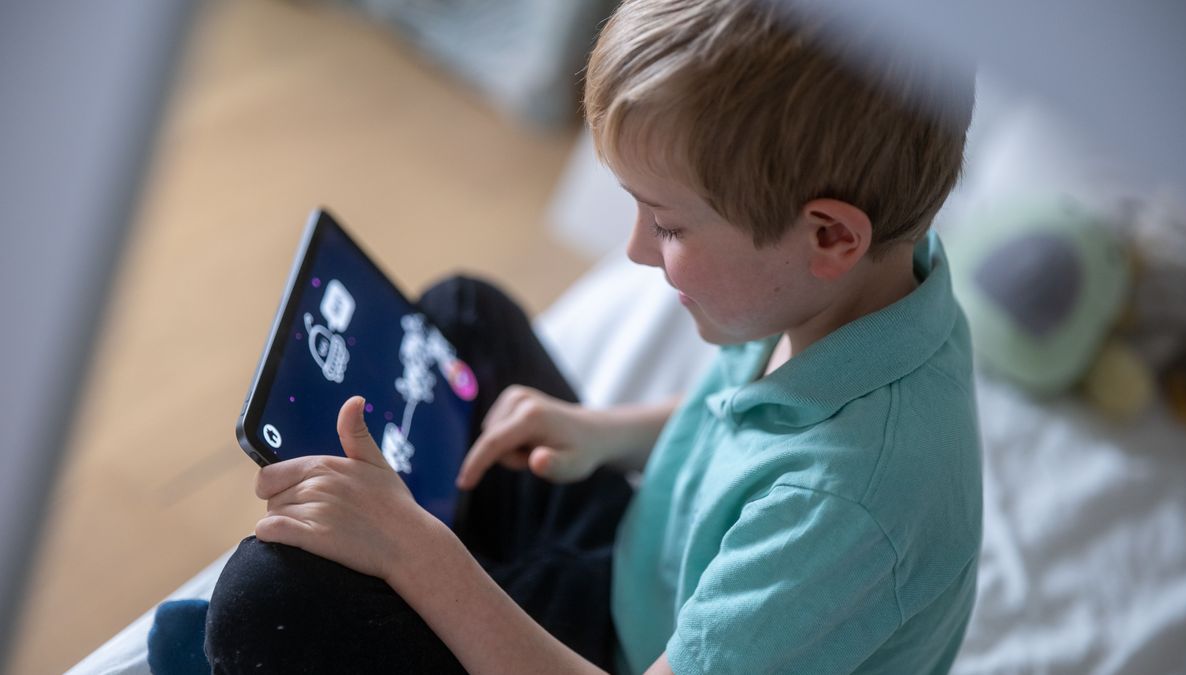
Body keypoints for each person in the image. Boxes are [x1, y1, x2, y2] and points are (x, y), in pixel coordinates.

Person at [204, 0, 980, 672]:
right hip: (641, 575)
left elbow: (803, 478)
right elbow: (753, 424)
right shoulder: (868, 291)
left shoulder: (847, 506)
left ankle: (431, 547)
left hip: (626, 653)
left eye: (669, 223)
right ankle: (445, 537)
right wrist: (602, 434)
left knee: (262, 601)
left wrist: (418, 554)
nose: (639, 248)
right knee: (467, 311)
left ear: (830, 236)